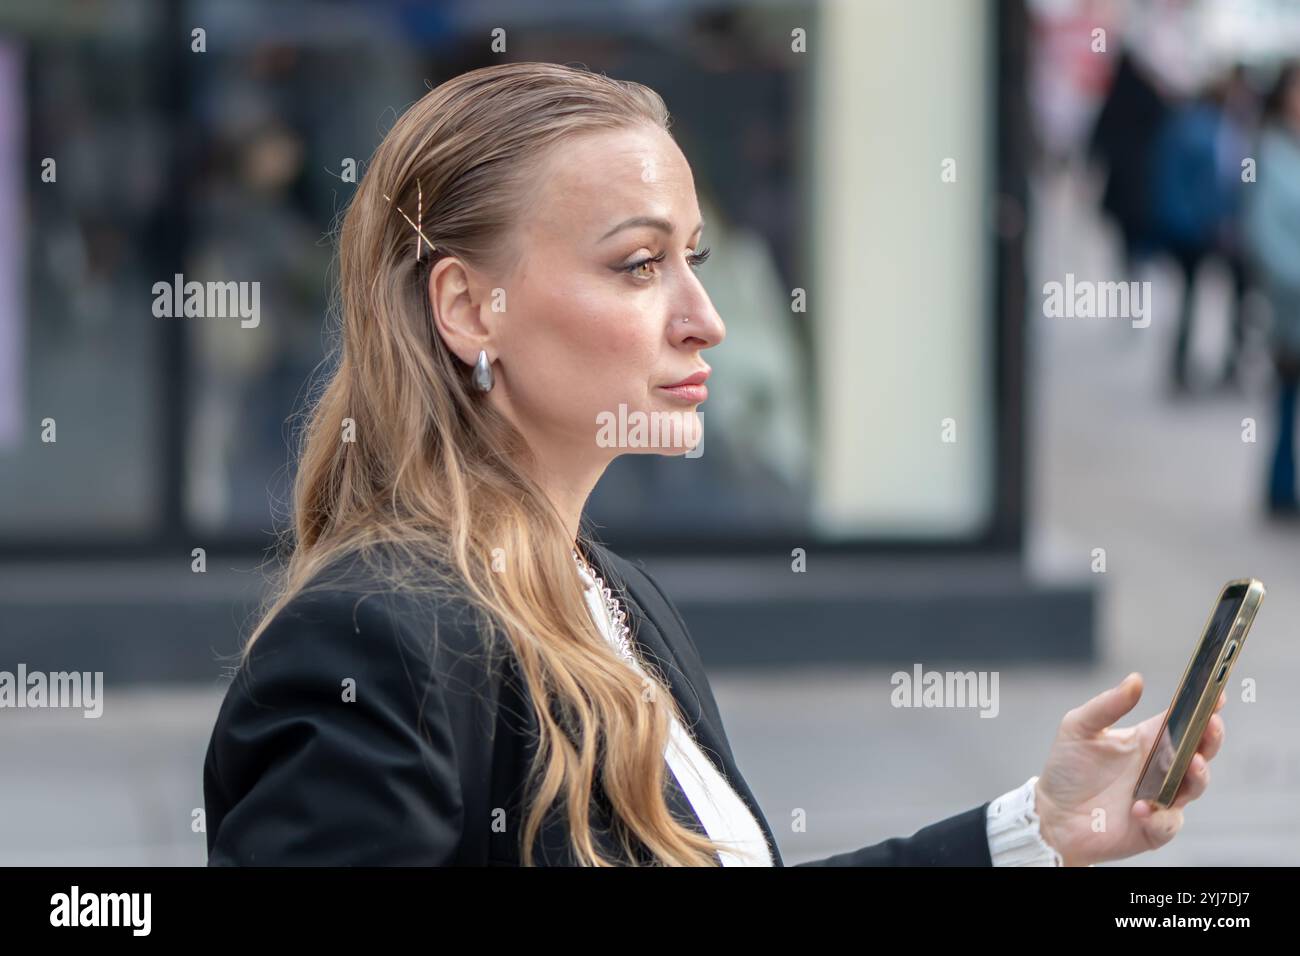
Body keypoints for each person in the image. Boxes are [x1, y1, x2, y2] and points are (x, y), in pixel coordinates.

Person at [202, 62, 1224, 866]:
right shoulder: (372, 641)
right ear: (471, 308)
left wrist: (1034, 828)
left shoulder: (611, 593)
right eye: (640, 264)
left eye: (696, 255)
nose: (706, 319)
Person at [1244, 63, 1300, 519]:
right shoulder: (1271, 155)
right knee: (1286, 402)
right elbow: (1265, 236)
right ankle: (1281, 489)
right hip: (1290, 309)